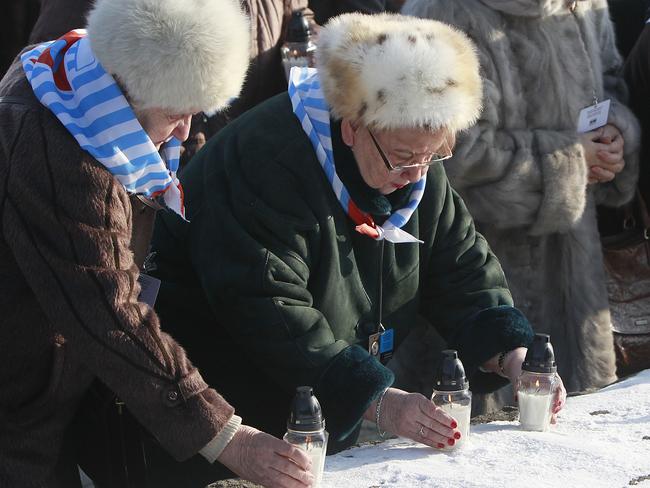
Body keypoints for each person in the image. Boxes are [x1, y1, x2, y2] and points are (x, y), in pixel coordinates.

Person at [151, 12, 566, 454]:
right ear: (352, 128)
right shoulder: (264, 163)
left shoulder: (411, 155)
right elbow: (268, 308)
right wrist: (377, 400)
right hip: (218, 415)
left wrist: (511, 354)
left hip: (317, 412)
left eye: (435, 155)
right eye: (405, 158)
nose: (416, 175)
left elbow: (459, 263)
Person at [0, 0, 314, 487]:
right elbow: (110, 312)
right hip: (18, 410)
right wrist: (228, 437)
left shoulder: (71, 76)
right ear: (130, 90)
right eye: (177, 113)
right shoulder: (63, 155)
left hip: (43, 395)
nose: (186, 132)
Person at [402, 0, 640, 394]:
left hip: (576, 286)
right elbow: (444, 159)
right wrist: (570, 161)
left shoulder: (583, 4)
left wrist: (614, 135)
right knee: (485, 441)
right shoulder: (443, 12)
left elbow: (610, 82)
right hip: (477, 284)